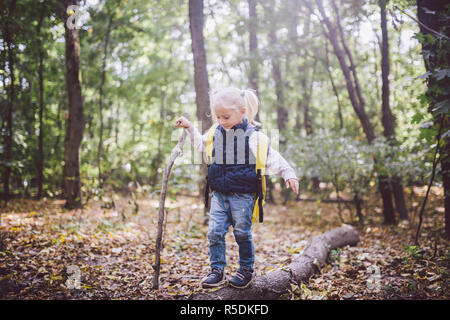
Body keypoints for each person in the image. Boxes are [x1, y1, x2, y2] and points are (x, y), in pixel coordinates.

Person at [174, 87, 299, 289]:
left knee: (241, 233)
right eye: (218, 117)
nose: (222, 121)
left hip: (243, 196)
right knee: (214, 232)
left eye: (226, 116)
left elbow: (272, 157)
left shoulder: (253, 136)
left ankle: (246, 270)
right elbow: (200, 144)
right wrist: (189, 128)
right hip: (219, 195)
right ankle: (217, 270)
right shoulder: (216, 132)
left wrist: (289, 173)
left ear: (242, 111)